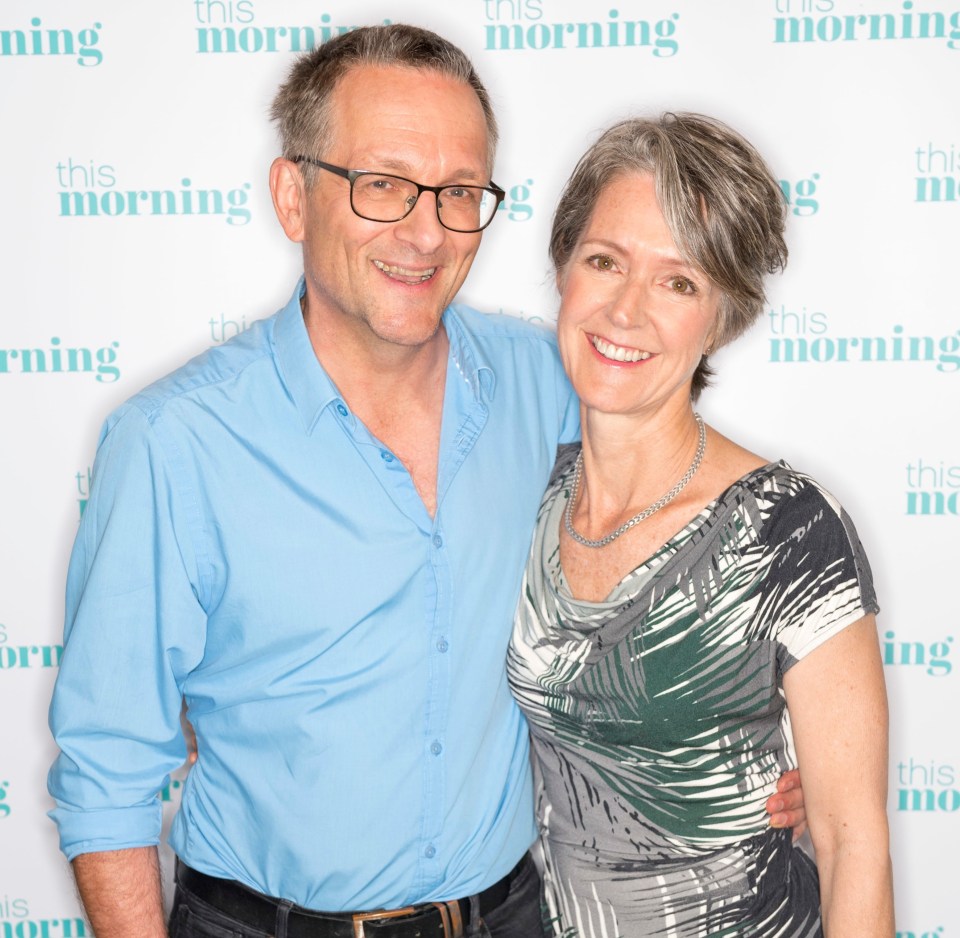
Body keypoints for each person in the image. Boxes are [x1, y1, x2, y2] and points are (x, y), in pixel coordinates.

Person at [47, 26, 806, 938]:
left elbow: (678, 529)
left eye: (457, 194)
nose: (424, 231)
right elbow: (107, 774)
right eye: (382, 185)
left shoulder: (557, 384)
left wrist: (740, 746)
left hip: (511, 915)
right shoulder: (173, 444)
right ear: (294, 195)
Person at [507, 113, 894, 937]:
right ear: (563, 270)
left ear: (723, 316)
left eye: (678, 282)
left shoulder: (787, 531)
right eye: (604, 261)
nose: (625, 309)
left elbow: (852, 840)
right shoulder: (523, 498)